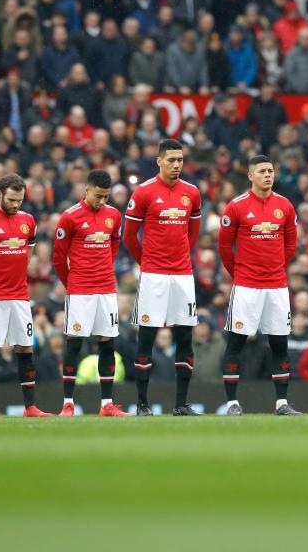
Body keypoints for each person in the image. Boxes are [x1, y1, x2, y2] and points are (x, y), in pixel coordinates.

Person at [124, 139, 203, 416]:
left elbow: (193, 233)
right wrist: (146, 262)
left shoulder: (191, 193)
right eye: (171, 160)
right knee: (146, 338)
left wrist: (181, 256)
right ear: (159, 161)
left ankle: (181, 404)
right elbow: (129, 236)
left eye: (180, 160)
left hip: (182, 275)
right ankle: (142, 404)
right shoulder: (144, 192)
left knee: (185, 337)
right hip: (154, 275)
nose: (177, 165)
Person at [217, 155, 301, 416]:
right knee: (236, 343)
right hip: (247, 287)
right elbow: (224, 247)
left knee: (279, 343)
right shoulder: (236, 207)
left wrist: (276, 268)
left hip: (276, 286)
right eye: (262, 171)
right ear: (250, 175)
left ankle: (281, 404)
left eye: (271, 171)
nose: (268, 175)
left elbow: (290, 245)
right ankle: (232, 403)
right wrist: (239, 274)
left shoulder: (285, 206)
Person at [0, 174, 52, 418]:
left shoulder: (28, 220)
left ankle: (30, 407)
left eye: (20, 200)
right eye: (12, 199)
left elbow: (29, 249)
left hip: (20, 296)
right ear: (0, 194)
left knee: (25, 348)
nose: (16, 205)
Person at [53, 170, 129, 417]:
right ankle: (67, 403)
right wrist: (72, 283)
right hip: (80, 291)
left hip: (106, 289)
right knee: (74, 344)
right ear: (86, 190)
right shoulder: (70, 217)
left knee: (107, 343)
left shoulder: (114, 216)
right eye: (98, 196)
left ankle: (107, 404)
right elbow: (58, 257)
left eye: (106, 197)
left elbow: (114, 243)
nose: (102, 201)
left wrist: (104, 267)